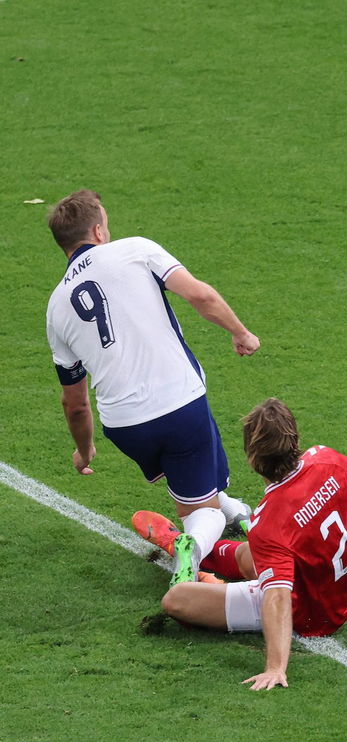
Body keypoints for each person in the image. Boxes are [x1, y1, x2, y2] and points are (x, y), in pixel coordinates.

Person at [45, 189, 261, 583]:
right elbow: (200, 294)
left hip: (125, 427)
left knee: (187, 476)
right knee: (201, 513)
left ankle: (234, 512)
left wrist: (84, 451)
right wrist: (241, 333)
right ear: (98, 229)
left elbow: (74, 404)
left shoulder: (56, 307)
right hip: (180, 404)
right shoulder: (136, 249)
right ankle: (194, 546)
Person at [132, 397, 347, 689]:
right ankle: (197, 549)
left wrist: (275, 668)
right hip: (341, 589)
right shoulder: (329, 459)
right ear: (295, 439)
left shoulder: (270, 520)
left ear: (251, 457)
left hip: (312, 614)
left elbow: (279, 596)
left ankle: (200, 568)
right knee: (257, 554)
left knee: (177, 600)